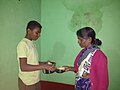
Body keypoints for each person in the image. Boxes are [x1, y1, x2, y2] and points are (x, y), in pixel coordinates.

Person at [17, 20, 56, 90]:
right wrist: (44, 66)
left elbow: (34, 62)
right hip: (27, 82)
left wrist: (45, 63)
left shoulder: (32, 44)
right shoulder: (23, 44)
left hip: (35, 80)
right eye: (37, 33)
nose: (39, 35)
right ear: (29, 31)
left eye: (39, 33)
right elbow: (23, 67)